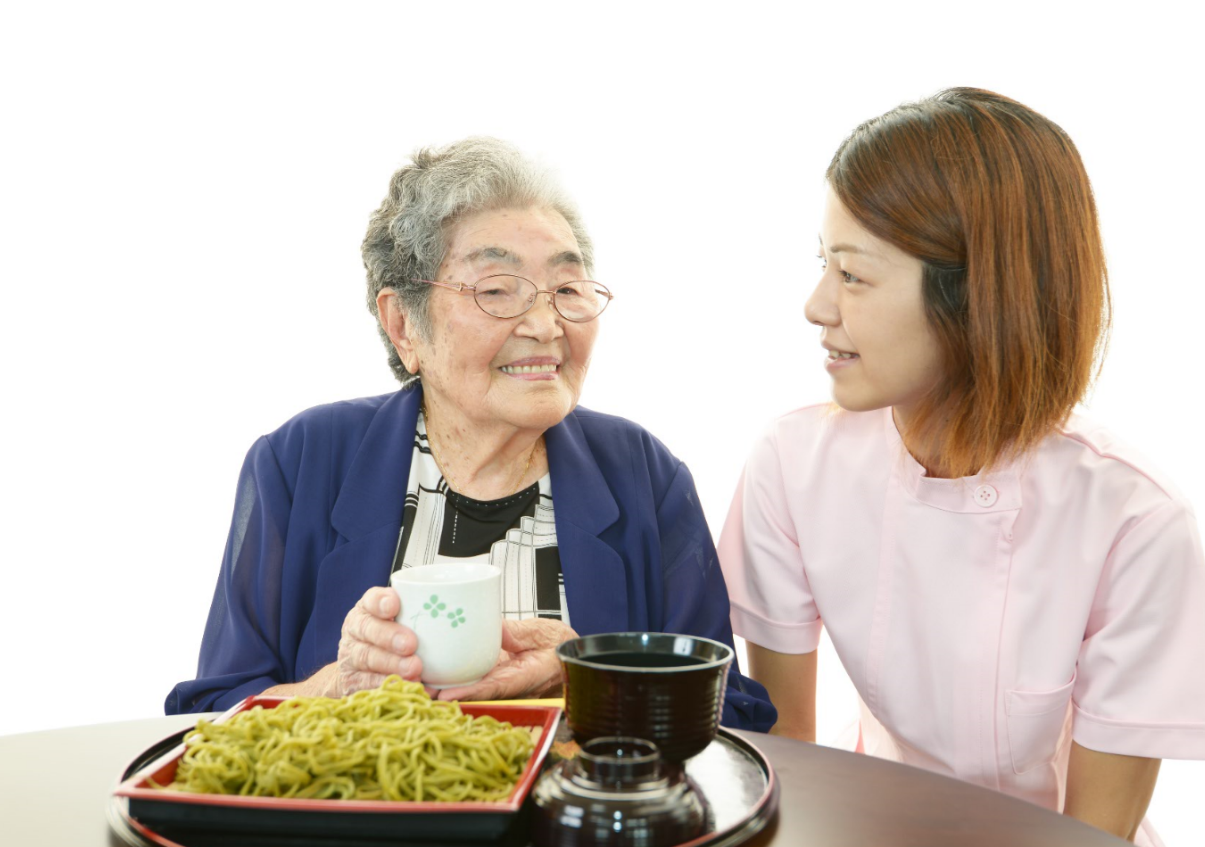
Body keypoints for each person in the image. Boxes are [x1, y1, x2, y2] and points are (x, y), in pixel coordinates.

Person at [718, 88, 1205, 847]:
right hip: (859, 844)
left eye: (853, 275)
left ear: (975, 295)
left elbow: (1093, 843)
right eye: (824, 264)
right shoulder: (793, 463)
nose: (817, 306)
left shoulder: (1134, 521)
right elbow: (786, 766)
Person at [167, 138, 775, 732]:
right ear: (404, 324)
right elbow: (208, 716)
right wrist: (337, 686)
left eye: (566, 289)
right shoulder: (301, 461)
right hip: (359, 832)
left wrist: (590, 681)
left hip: (577, 830)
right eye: (495, 291)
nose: (545, 325)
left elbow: (734, 717)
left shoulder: (644, 473)